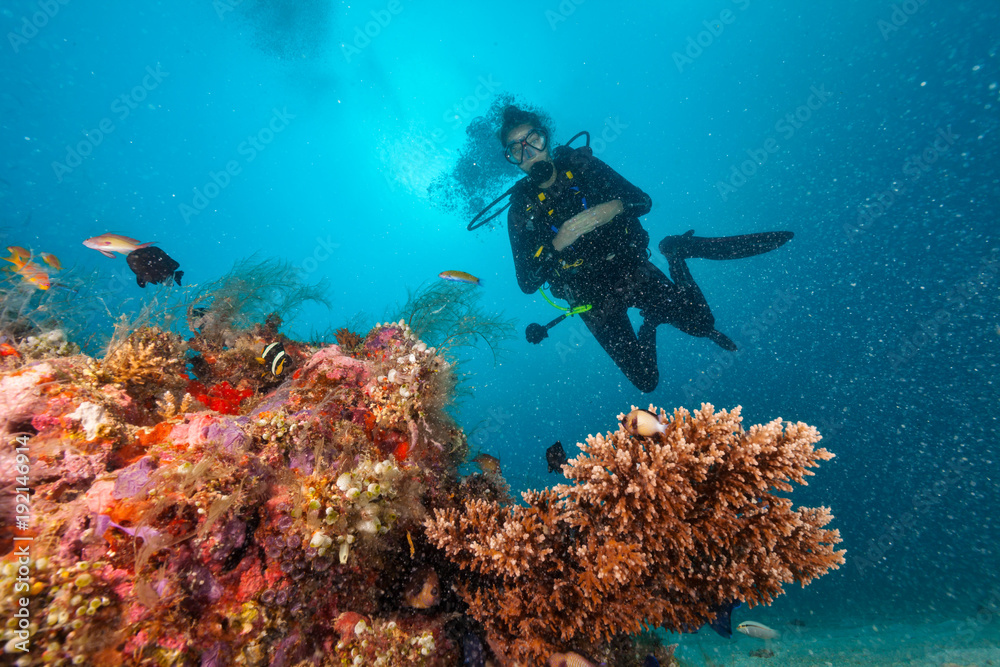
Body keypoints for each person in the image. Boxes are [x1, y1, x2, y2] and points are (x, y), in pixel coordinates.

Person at [499, 105, 793, 393]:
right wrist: (560, 239)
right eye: (516, 150)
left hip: (630, 268)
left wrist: (614, 207)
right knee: (645, 381)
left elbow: (643, 201)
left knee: (701, 324)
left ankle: (676, 251)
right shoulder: (521, 212)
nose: (529, 153)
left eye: (533, 140)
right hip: (590, 296)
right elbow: (527, 282)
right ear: (511, 159)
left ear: (546, 138)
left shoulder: (584, 166)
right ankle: (651, 322)